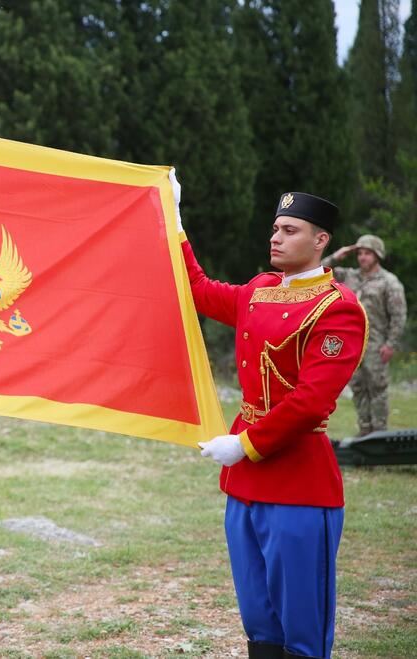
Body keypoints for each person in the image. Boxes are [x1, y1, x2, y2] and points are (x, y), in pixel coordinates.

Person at [174, 178, 367, 659]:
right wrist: (172, 220)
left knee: (302, 622)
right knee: (258, 618)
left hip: (298, 483)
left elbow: (310, 402)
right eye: (275, 228)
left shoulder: (337, 309)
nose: (275, 238)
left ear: (320, 240)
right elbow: (195, 289)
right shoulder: (259, 290)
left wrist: (243, 444)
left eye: (290, 230)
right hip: (244, 483)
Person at [321, 234, 407, 436]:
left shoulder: (389, 282)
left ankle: (379, 434)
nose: (362, 257)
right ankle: (365, 431)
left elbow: (398, 316)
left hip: (376, 345)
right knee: (358, 387)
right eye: (359, 253)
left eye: (367, 253)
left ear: (377, 255)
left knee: (377, 388)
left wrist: (391, 344)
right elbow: (319, 272)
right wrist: (337, 256)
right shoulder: (349, 276)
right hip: (351, 343)